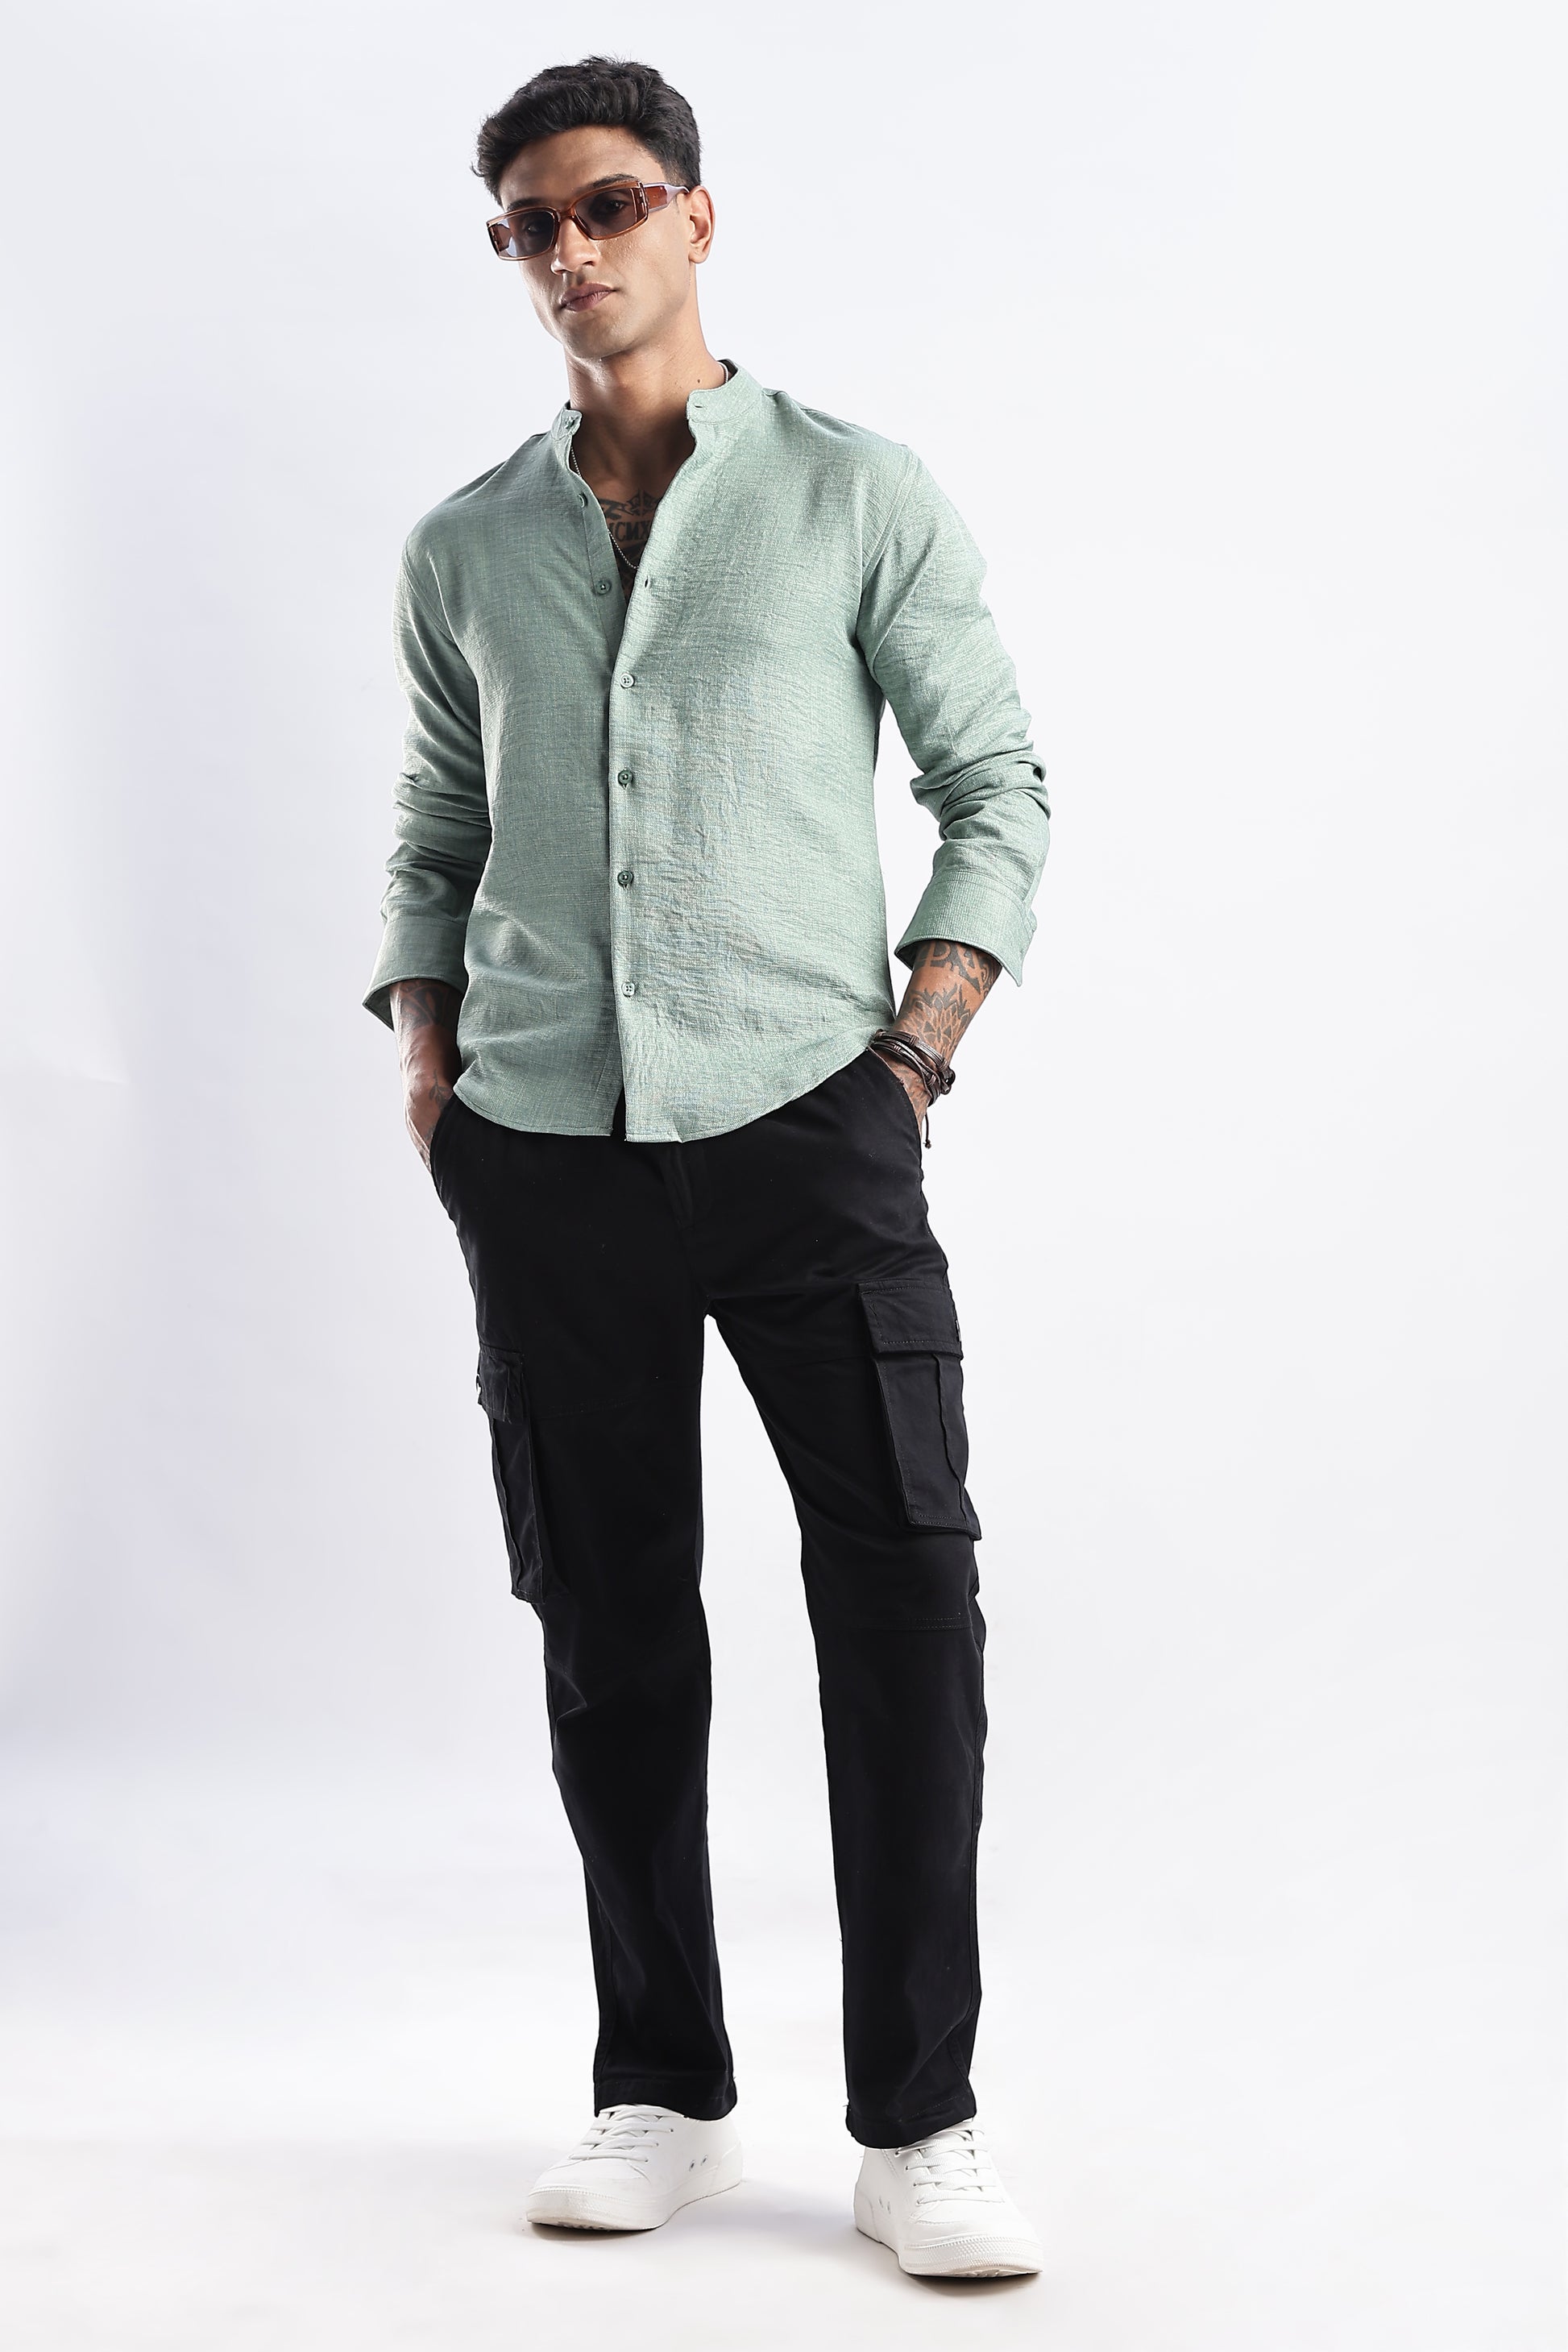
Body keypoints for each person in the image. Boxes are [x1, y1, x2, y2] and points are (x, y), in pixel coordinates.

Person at [364, 56, 1050, 2281]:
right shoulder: (466, 544)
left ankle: (919, 2120)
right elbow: (439, 820)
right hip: (545, 1147)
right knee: (611, 1623)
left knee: (903, 1600)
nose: (569, 251)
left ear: (694, 218)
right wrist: (430, 1049)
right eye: (529, 226)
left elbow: (996, 783)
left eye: (606, 205)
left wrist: (920, 1046)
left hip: (810, 1124)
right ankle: (658, 2082)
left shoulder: (854, 491)